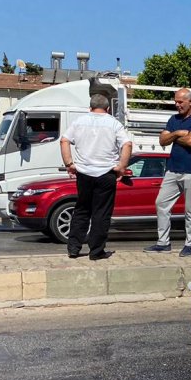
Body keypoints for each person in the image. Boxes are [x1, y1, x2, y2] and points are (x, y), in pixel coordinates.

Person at [59, 93, 132, 261]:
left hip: (83, 173)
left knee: (81, 210)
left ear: (90, 108)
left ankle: (74, 248)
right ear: (108, 109)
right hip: (106, 173)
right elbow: (127, 144)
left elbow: (64, 141)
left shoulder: (79, 121)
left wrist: (69, 164)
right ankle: (96, 251)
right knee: (101, 213)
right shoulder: (114, 124)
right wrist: (121, 167)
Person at [145, 88, 191, 257]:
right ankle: (163, 243)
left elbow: (190, 141)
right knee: (161, 203)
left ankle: (189, 245)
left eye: (180, 102)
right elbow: (162, 141)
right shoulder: (173, 119)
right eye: (175, 101)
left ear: (190, 102)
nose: (177, 105)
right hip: (172, 170)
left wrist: (171, 136)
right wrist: (177, 133)